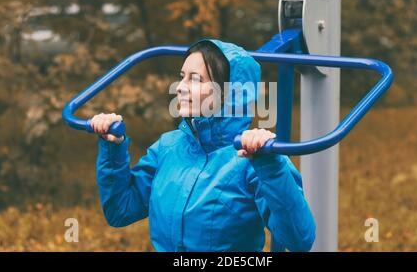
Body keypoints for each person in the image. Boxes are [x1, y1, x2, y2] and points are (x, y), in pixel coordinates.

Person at [91, 39, 315, 252]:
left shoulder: (253, 159)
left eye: (195, 79)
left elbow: (299, 240)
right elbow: (120, 210)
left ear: (229, 93)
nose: (180, 87)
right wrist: (114, 147)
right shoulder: (167, 147)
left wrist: (271, 168)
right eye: (182, 77)